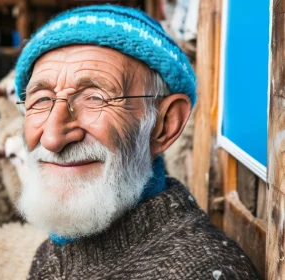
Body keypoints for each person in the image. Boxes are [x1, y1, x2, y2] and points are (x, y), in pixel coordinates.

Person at [14, 5, 259, 279]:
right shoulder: (57, 246)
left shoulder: (199, 272)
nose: (52, 137)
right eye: (41, 100)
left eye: (95, 98)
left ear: (164, 124)